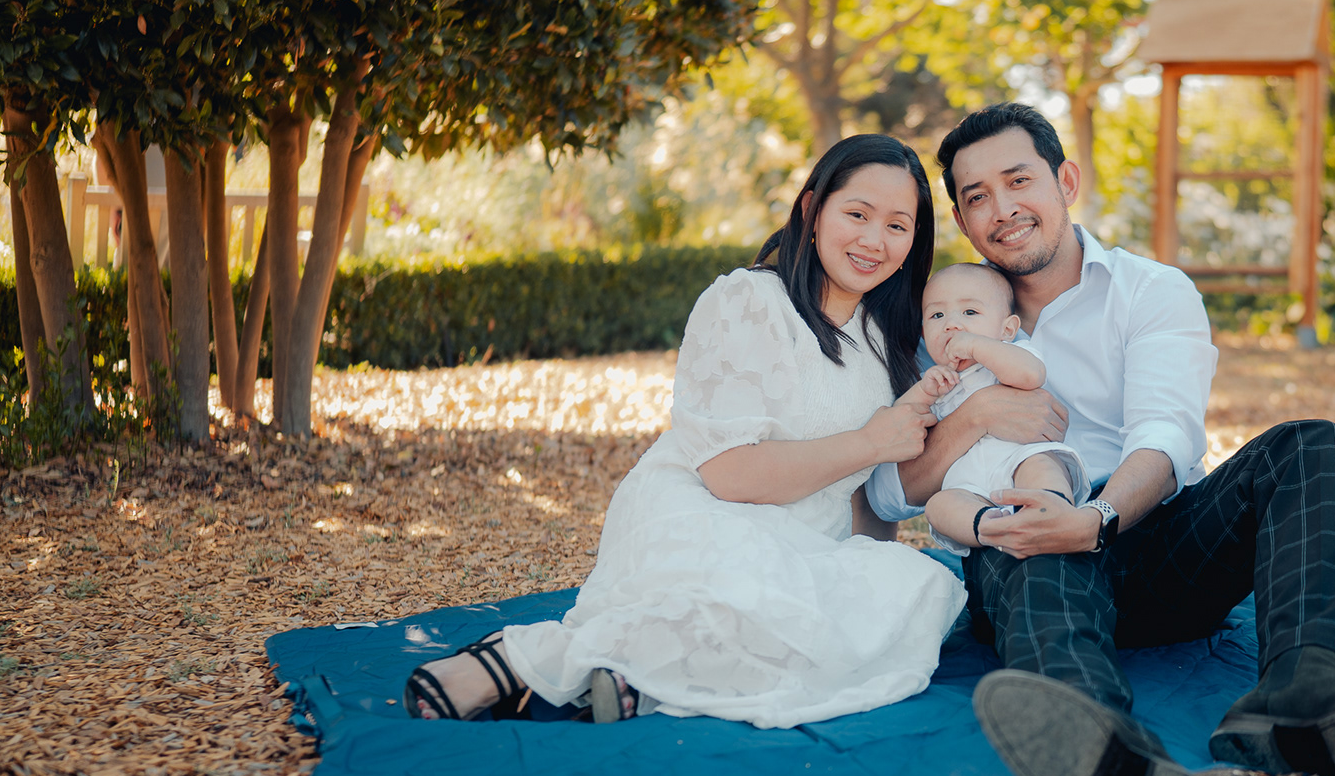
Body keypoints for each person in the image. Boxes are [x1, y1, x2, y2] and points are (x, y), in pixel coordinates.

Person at [864, 103, 1335, 776]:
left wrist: (1097, 518)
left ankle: (1303, 692)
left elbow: (1166, 437)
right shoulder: (944, 317)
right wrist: (978, 417)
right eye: (977, 196)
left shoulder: (1150, 289)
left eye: (1019, 181)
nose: (1003, 209)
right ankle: (1111, 751)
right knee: (1029, 535)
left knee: (1309, 443)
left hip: (1150, 547)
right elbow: (890, 492)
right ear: (962, 219)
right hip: (1032, 564)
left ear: (1066, 182)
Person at [404, 134, 967, 729]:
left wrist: (862, 578)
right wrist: (872, 442)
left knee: (916, 589)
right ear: (812, 209)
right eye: (857, 214)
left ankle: (626, 679)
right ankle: (516, 661)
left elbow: (862, 493)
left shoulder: (888, 340)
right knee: (751, 599)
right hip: (707, 515)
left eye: (897, 226)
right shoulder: (748, 300)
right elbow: (729, 475)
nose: (875, 240)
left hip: (808, 543)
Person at [913, 262, 1089, 553]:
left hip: (1019, 457)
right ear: (923, 333)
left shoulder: (1011, 354)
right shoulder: (933, 380)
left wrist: (975, 346)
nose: (951, 324)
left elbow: (1031, 375)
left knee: (1041, 466)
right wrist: (922, 392)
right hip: (970, 483)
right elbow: (909, 425)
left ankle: (1052, 515)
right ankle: (993, 527)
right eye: (937, 315)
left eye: (970, 312)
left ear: (1007, 329)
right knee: (938, 506)